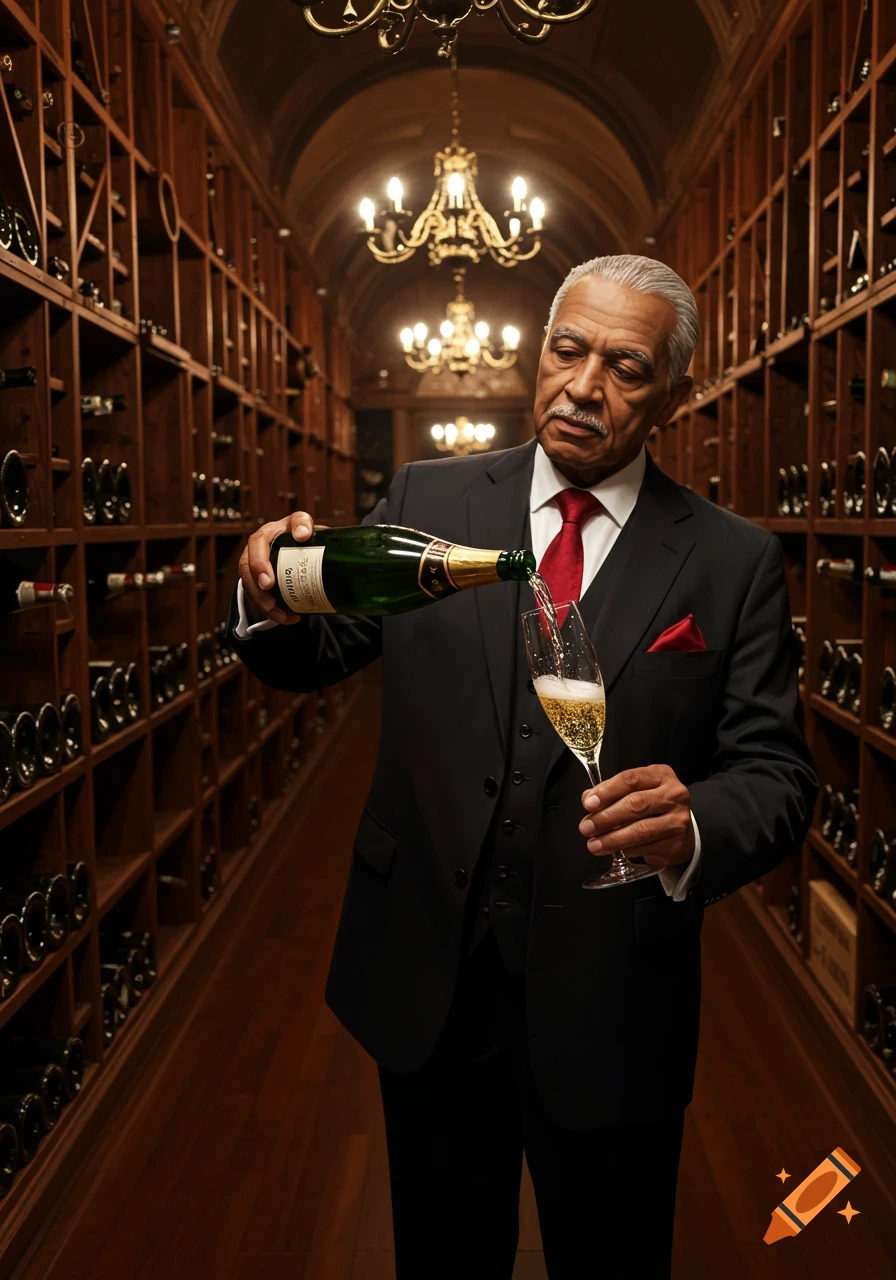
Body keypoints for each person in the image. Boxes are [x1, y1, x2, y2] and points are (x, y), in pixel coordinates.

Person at [226, 254, 817, 1279]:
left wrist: (694, 823)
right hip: (428, 979)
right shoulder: (428, 492)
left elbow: (775, 773)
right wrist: (265, 603)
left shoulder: (730, 560)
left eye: (625, 367)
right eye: (567, 349)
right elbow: (321, 649)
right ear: (538, 352)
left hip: (614, 996)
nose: (584, 385)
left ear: (672, 390)